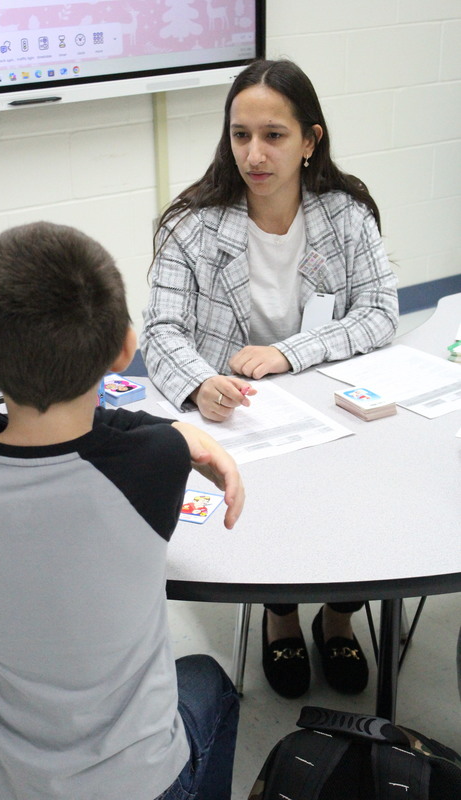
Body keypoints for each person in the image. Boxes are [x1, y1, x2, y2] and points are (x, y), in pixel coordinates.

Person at [0, 221, 244, 800]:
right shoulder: (153, 463)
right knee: (212, 683)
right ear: (126, 350)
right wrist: (185, 432)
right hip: (136, 784)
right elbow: (130, 433)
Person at [140, 58, 399, 700]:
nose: (254, 154)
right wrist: (201, 383)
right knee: (272, 508)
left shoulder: (345, 213)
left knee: (363, 498)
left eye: (274, 135)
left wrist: (290, 352)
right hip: (240, 416)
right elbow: (162, 331)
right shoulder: (190, 225)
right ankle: (280, 617)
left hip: (327, 407)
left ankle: (339, 616)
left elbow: (380, 311)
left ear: (310, 141)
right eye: (240, 134)